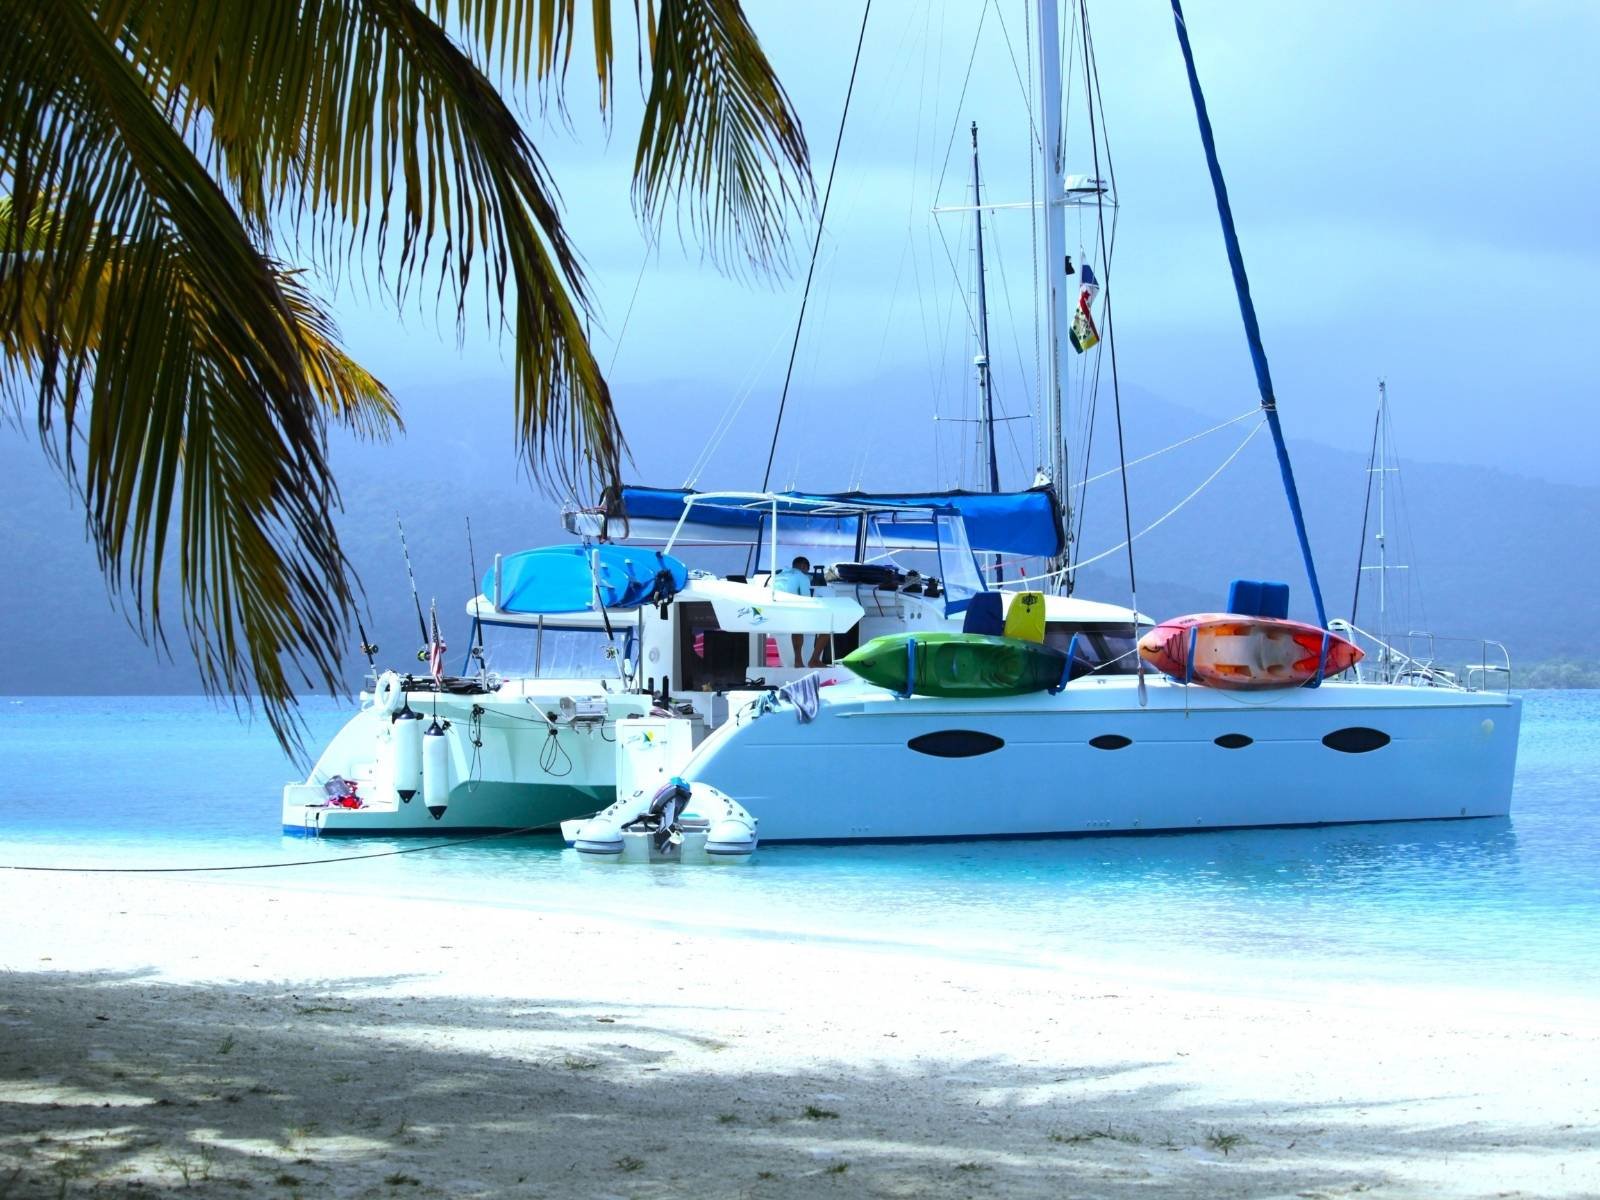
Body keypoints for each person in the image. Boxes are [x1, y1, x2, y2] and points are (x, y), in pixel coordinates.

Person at [771, 555, 831, 668]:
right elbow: (806, 601)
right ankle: (814, 660)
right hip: (790, 613)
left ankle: (798, 661)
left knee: (797, 624)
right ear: (804, 566)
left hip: (774, 614)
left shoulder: (777, 576)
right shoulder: (802, 577)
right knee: (827, 627)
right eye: (807, 570)